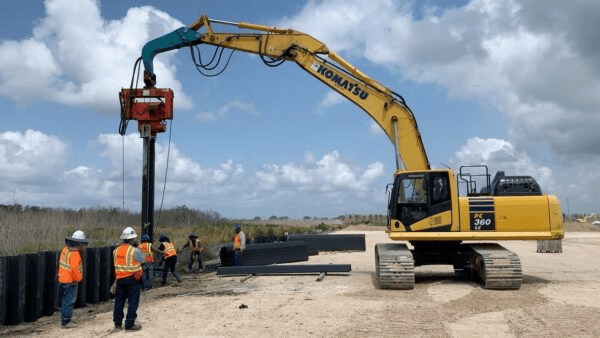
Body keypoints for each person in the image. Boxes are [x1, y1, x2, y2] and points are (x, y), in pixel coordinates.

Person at [113, 227, 144, 331]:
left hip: (120, 280)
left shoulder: (115, 251)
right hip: (132, 280)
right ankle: (129, 324)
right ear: (131, 240)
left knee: (119, 302)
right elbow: (142, 260)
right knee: (133, 302)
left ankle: (117, 324)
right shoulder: (135, 250)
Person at [57, 230, 88, 328]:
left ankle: (64, 319)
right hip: (71, 281)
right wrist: (79, 279)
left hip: (62, 279)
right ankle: (66, 322)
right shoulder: (75, 254)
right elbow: (75, 269)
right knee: (69, 302)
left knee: (64, 301)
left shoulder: (65, 250)